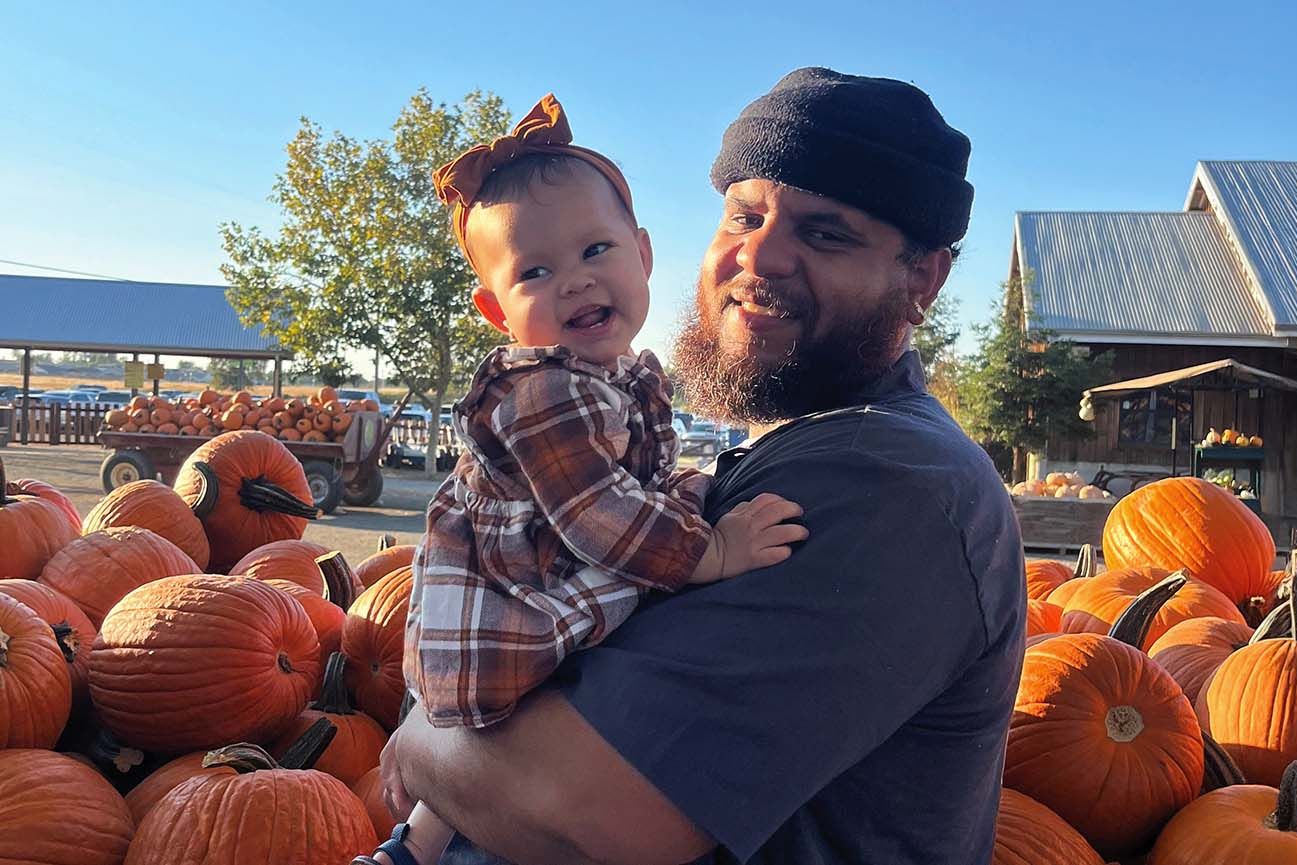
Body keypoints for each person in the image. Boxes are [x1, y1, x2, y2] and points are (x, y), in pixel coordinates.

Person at [379, 67, 1025, 865]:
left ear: (921, 278)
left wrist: (418, 738)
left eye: (825, 233)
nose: (761, 256)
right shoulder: (800, 442)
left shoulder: (891, 480)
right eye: (745, 214)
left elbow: (590, 815)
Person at [354, 94, 810, 865]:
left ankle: (413, 847)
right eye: (536, 271)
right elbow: (603, 515)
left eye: (595, 251)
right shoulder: (543, 393)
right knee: (509, 730)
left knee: (501, 735)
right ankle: (421, 844)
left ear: (643, 254)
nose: (574, 281)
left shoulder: (616, 375)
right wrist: (714, 552)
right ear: (497, 310)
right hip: (515, 598)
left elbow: (633, 476)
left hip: (552, 577)